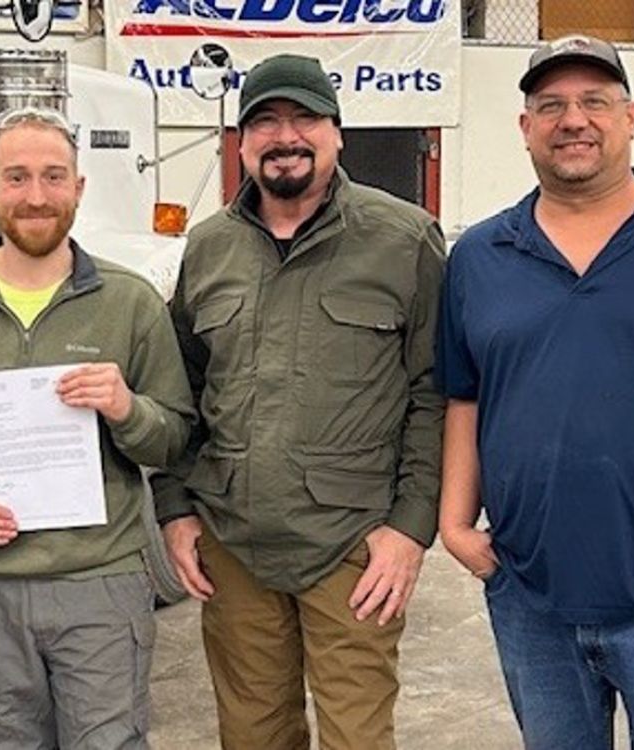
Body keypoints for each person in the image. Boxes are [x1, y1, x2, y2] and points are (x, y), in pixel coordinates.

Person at [0, 106, 194, 749]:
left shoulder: (129, 301)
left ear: (79, 188)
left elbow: (174, 435)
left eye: (54, 177)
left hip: (99, 584)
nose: (36, 196)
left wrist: (127, 409)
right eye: (16, 178)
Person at [154, 54, 446, 749]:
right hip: (234, 546)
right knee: (252, 737)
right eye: (265, 122)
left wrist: (410, 529)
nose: (286, 136)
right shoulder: (209, 248)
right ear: (243, 141)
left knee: (357, 738)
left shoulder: (403, 239)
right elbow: (177, 390)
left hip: (352, 549)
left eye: (304, 118)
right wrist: (174, 509)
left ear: (337, 133)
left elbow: (433, 393)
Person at [437, 35, 634, 749]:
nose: (574, 119)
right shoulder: (480, 256)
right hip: (530, 591)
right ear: (525, 127)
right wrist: (454, 523)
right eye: (552, 105)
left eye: (594, 102)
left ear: (631, 116)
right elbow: (465, 394)